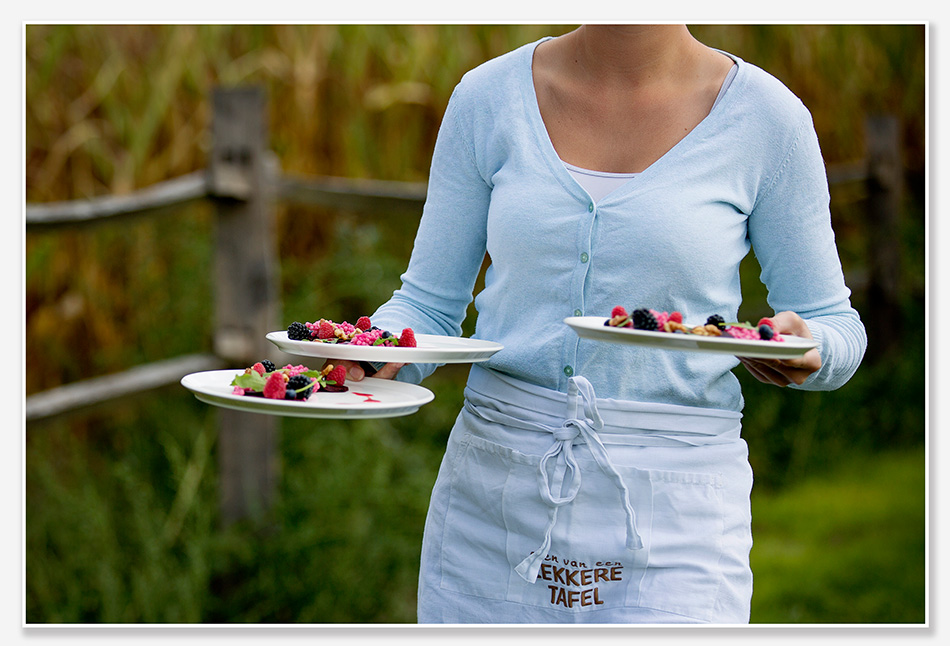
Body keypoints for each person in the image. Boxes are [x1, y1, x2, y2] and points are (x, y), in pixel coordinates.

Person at [332, 25, 867, 623]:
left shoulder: (768, 119)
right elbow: (427, 308)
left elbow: (833, 324)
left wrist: (808, 348)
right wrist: (369, 354)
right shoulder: (487, 98)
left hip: (677, 508)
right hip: (495, 495)